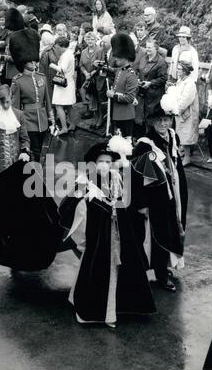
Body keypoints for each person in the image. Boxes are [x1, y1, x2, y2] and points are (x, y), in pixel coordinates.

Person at [58, 140, 156, 327]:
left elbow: (123, 206)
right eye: (101, 161)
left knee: (119, 269)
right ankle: (98, 311)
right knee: (96, 268)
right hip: (96, 238)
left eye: (108, 162)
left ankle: (115, 308)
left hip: (116, 235)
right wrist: (83, 236)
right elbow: (72, 209)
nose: (105, 165)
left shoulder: (117, 180)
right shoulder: (86, 183)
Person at [132, 108, 188, 292]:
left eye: (166, 120)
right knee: (159, 233)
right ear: (152, 122)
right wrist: (141, 204)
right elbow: (137, 177)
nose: (163, 124)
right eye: (159, 121)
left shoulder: (172, 136)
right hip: (155, 197)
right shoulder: (145, 145)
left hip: (175, 191)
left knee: (174, 228)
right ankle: (160, 274)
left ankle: (165, 266)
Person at [10, 27, 55, 162]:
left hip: (42, 120)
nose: (34, 64)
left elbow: (47, 100)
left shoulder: (42, 77)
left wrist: (51, 119)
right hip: (28, 121)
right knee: (32, 153)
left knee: (41, 151)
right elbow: (16, 106)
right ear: (24, 62)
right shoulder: (18, 81)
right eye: (30, 62)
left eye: (35, 61)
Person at [106, 33, 138, 138]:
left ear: (125, 57)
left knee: (125, 145)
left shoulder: (131, 75)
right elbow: (114, 71)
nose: (116, 59)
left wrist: (113, 95)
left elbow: (129, 98)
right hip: (117, 113)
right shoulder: (120, 70)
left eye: (118, 57)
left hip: (125, 115)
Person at [137, 38, 168, 130]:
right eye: (146, 47)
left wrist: (150, 83)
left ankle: (152, 137)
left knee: (152, 117)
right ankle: (145, 136)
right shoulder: (144, 58)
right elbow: (140, 71)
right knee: (142, 115)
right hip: (143, 92)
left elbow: (163, 78)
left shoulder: (161, 62)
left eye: (150, 47)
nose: (147, 49)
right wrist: (139, 79)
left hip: (154, 95)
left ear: (156, 48)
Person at [174, 61, 199, 166]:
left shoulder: (190, 84)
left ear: (185, 71)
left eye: (179, 69)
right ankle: (182, 153)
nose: (177, 71)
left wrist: (177, 109)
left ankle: (187, 157)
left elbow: (185, 100)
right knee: (180, 133)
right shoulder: (181, 80)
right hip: (180, 113)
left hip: (187, 113)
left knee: (186, 135)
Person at [50, 36, 77, 135]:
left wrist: (52, 65)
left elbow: (63, 69)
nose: (56, 48)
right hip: (68, 82)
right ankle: (72, 125)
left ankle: (64, 128)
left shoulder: (66, 55)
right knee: (69, 105)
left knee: (58, 105)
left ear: (61, 46)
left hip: (63, 83)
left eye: (57, 46)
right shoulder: (69, 53)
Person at [80, 31, 105, 130]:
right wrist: (86, 73)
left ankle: (100, 120)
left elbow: (102, 64)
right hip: (87, 78)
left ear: (95, 40)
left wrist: (92, 73)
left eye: (92, 39)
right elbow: (81, 65)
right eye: (88, 39)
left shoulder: (99, 50)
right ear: (85, 40)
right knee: (91, 98)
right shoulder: (83, 51)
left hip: (98, 78)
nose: (90, 41)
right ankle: (95, 118)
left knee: (98, 99)